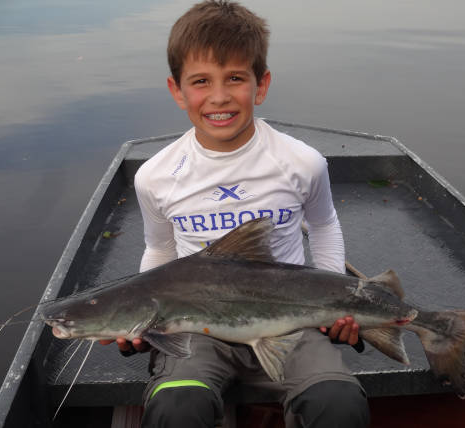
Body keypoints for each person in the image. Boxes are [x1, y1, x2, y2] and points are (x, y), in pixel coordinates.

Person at [101, 1, 370, 426]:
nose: (220, 97)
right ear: (177, 90)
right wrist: (138, 313)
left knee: (338, 403)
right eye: (201, 81)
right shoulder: (156, 176)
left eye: (235, 79)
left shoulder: (301, 162)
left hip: (291, 322)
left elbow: (323, 225)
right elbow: (159, 251)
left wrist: (336, 300)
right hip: (197, 328)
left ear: (260, 85)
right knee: (175, 406)